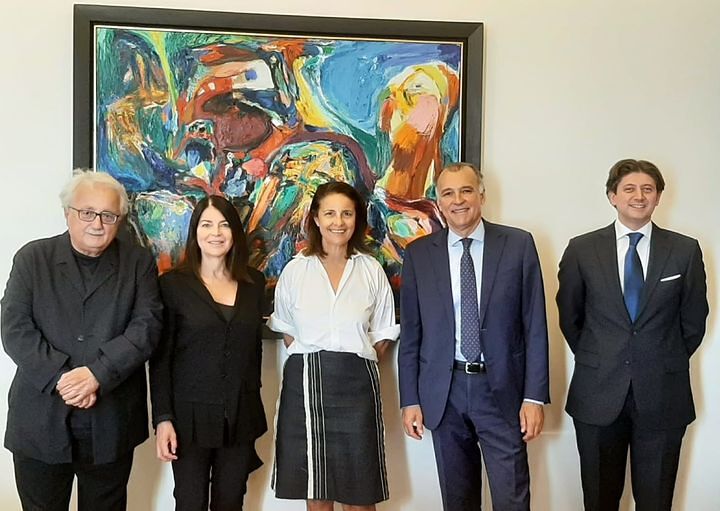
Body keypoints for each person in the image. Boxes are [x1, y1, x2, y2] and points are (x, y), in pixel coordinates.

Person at [0, 170, 163, 511]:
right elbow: (14, 327)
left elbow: (146, 327)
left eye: (108, 215)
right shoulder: (32, 258)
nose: (97, 224)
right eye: (87, 212)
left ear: (119, 220)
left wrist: (97, 374)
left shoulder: (138, 262)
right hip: (40, 417)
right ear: (67, 213)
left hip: (111, 419)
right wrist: (63, 378)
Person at [556, 159, 708, 511]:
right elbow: (570, 317)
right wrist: (601, 355)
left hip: (663, 394)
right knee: (599, 500)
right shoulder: (582, 249)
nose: (639, 196)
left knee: (656, 501)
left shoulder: (685, 250)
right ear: (612, 196)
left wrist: (659, 357)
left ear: (658, 197)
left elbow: (694, 321)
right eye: (629, 189)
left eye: (647, 189)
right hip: (597, 393)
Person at [398, 162, 549, 511]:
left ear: (481, 195)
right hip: (444, 392)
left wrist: (534, 397)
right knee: (458, 501)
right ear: (438, 202)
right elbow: (412, 334)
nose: (458, 200)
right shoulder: (419, 254)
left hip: (502, 392)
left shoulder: (518, 244)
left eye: (466, 191)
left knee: (512, 499)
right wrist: (410, 399)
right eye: (448, 193)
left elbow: (535, 325)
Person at [268, 181, 400, 511]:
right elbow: (287, 331)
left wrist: (351, 364)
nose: (338, 222)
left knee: (361, 497)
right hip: (306, 389)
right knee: (317, 493)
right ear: (316, 218)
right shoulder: (295, 270)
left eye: (346, 214)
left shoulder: (371, 270)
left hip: (358, 392)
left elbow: (383, 332)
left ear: (356, 219)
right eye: (329, 213)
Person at [150, 195, 267, 511]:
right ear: (195, 232)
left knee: (231, 501)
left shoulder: (254, 283)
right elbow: (161, 359)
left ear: (234, 232)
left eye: (224, 225)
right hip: (188, 419)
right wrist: (163, 419)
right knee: (190, 502)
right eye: (207, 225)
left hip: (240, 416)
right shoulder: (172, 285)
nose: (216, 233)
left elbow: (253, 349)